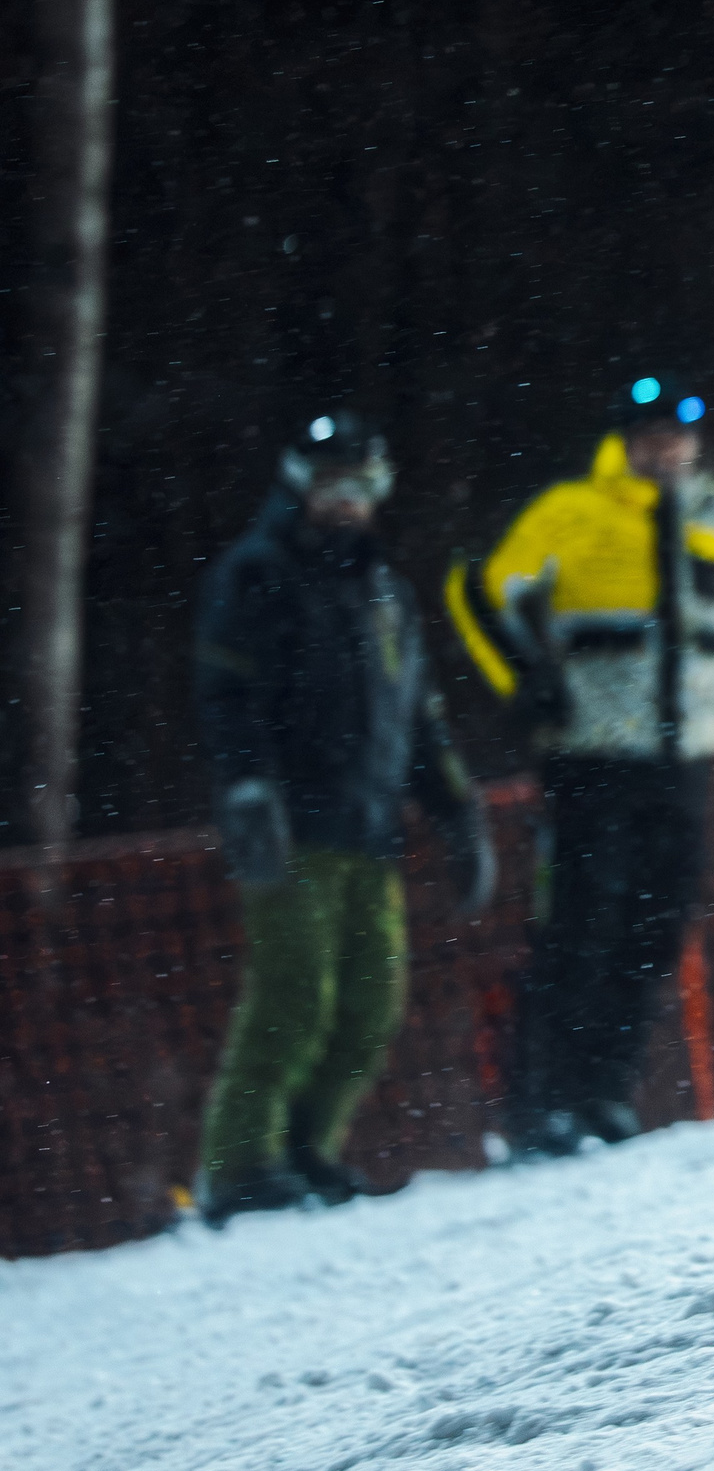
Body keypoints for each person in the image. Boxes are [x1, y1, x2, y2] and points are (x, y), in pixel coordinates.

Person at [446, 377, 714, 1156]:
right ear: (624, 442)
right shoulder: (571, 511)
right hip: (589, 755)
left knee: (655, 928)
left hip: (683, 758)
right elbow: (477, 589)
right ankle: (543, 1105)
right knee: (578, 927)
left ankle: (607, 1096)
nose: (664, 450)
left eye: (675, 437)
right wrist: (524, 680)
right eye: (648, 436)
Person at [195, 411, 494, 1227]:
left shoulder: (384, 588)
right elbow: (227, 695)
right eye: (331, 483)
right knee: (293, 992)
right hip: (294, 825)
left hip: (371, 828)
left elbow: (419, 716)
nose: (346, 500)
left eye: (360, 485)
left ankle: (303, 1149)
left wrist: (456, 810)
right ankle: (237, 1164)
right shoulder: (260, 574)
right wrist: (249, 788)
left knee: (369, 1004)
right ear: (299, 482)